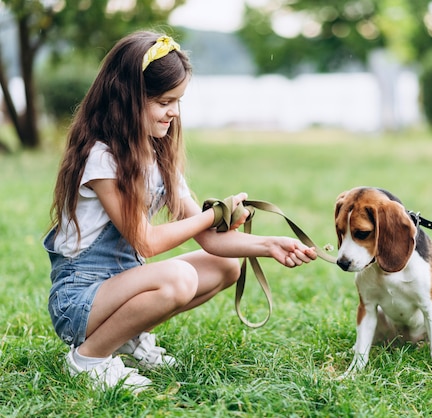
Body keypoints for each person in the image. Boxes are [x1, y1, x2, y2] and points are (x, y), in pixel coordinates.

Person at [43, 31, 317, 393]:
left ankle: (125, 339)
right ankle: (88, 359)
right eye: (163, 101)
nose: (173, 111)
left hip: (118, 290)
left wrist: (269, 244)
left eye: (178, 101)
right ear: (126, 99)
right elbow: (147, 241)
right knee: (178, 278)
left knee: (225, 268)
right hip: (80, 299)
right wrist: (212, 214)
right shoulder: (102, 158)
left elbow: (208, 240)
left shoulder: (157, 157)